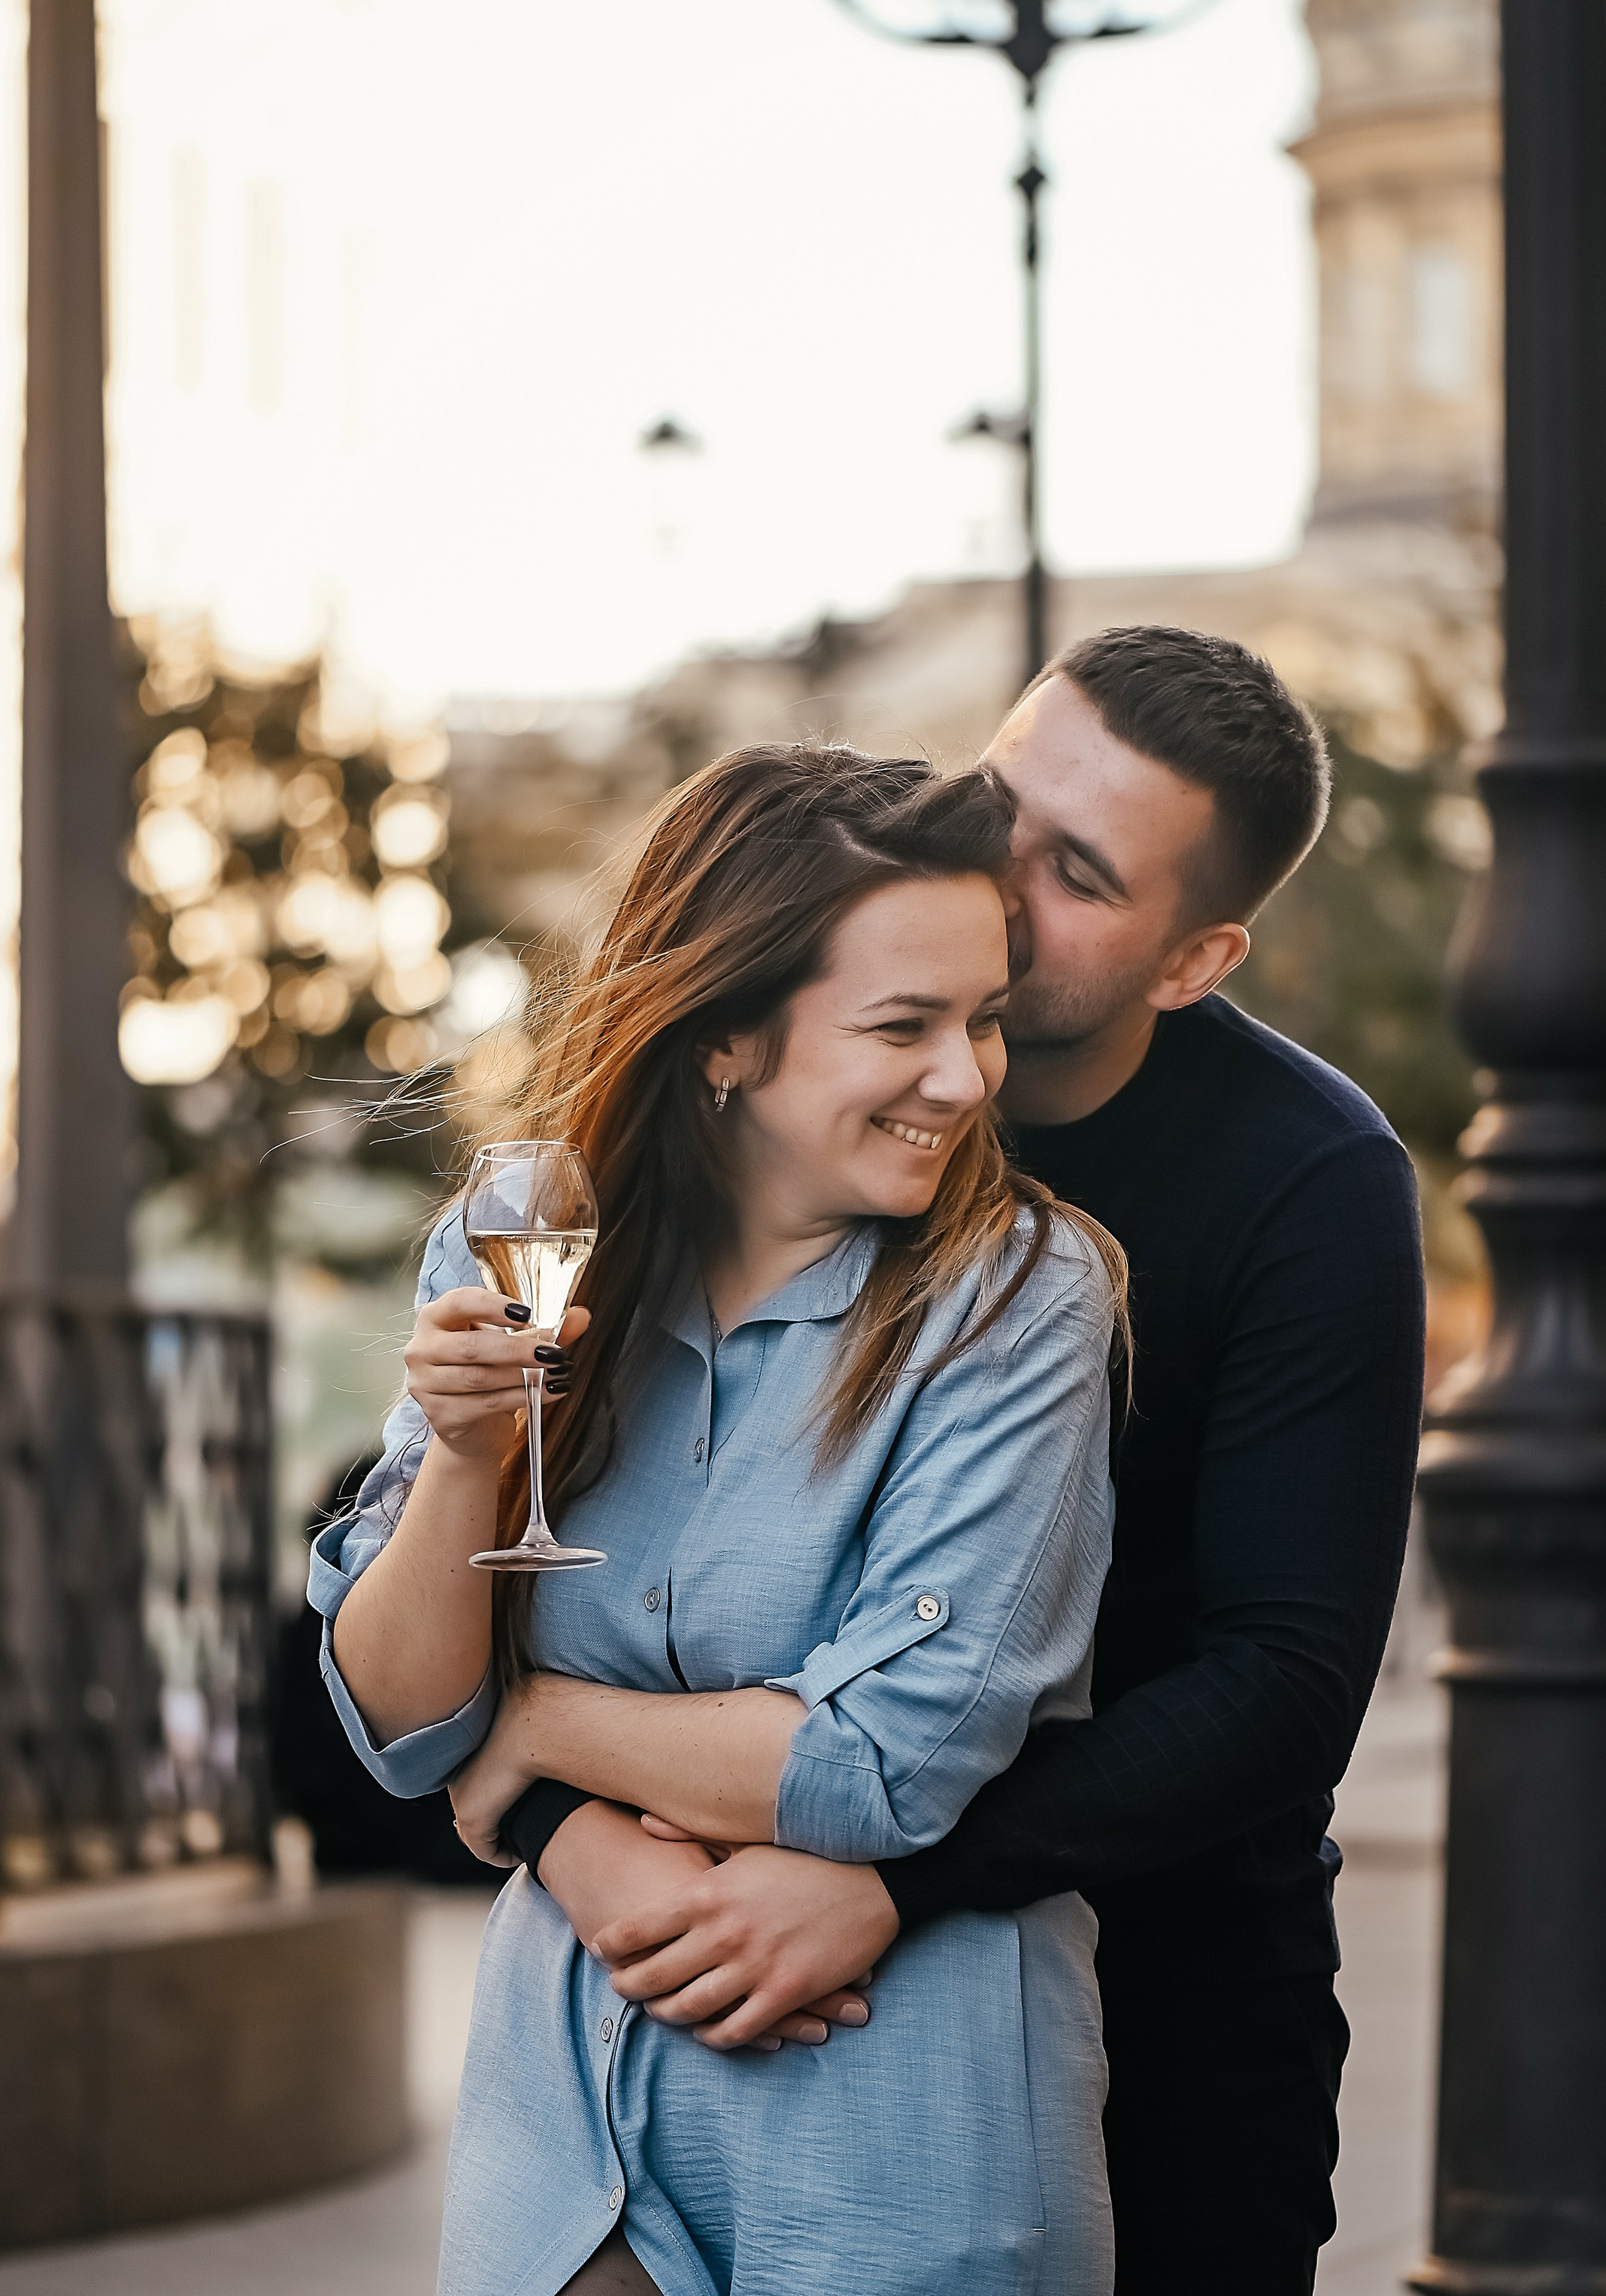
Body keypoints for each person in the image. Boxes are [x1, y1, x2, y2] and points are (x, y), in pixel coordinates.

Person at [520, 629, 1427, 2294]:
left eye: (1076, 872)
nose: (997, 877)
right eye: (1002, 799)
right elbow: (588, 1556)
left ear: (1194, 955)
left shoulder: (1308, 1177)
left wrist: (898, 1874)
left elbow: (1286, 1678)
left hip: (1165, 1978)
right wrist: (556, 1811)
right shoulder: (806, 1097)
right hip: (695, 1936)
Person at [308, 747, 1128, 2296]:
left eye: (983, 1018)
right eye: (904, 1024)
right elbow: (407, 1726)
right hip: (566, 2121)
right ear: (726, 1036)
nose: (964, 1075)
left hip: (895, 2127)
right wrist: (473, 1461)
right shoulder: (515, 1240)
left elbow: (877, 1761)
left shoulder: (1018, 1298)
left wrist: (538, 1728)